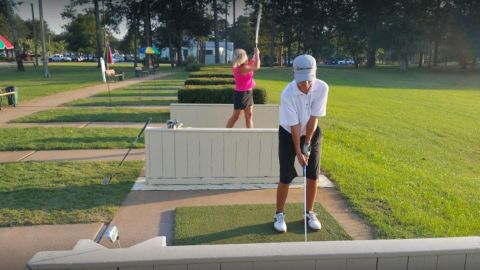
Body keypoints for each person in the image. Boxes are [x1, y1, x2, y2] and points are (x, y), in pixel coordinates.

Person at [273, 54, 329, 233]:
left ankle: (309, 212)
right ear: (294, 74)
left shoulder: (322, 88)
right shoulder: (287, 94)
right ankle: (279, 214)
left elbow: (313, 119)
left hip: (312, 132)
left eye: (308, 81)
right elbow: (295, 126)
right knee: (286, 174)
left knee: (313, 173)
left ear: (315, 73)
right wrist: (299, 150)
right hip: (289, 133)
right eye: (301, 81)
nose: (305, 85)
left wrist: (308, 144)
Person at [226, 48, 261, 128]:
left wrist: (255, 55)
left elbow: (251, 63)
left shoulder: (243, 66)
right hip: (241, 95)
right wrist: (257, 54)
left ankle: (251, 136)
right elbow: (257, 67)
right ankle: (225, 134)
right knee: (236, 117)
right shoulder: (241, 68)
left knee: (249, 116)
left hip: (248, 93)